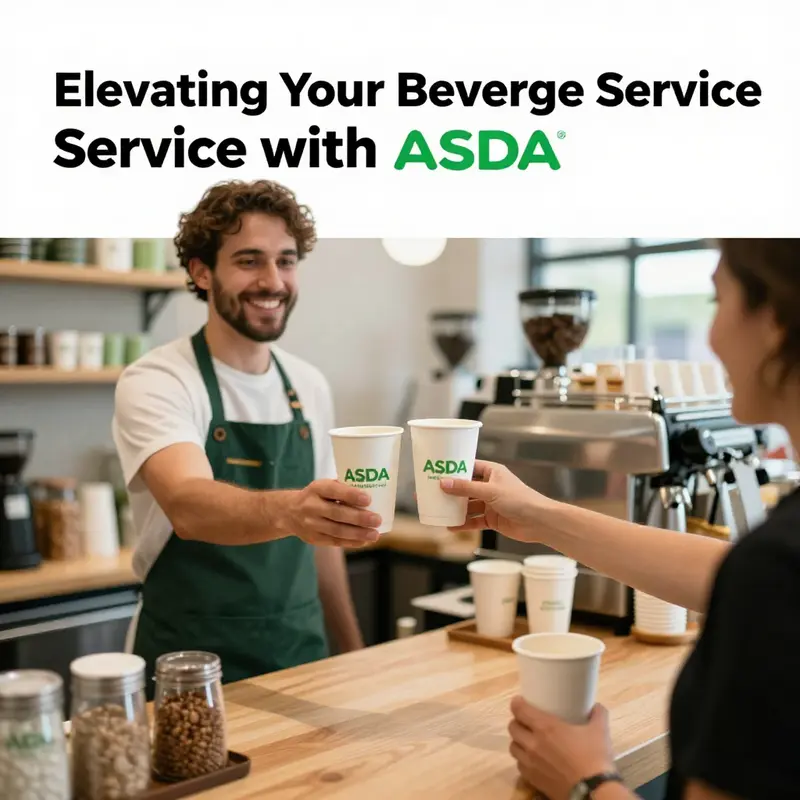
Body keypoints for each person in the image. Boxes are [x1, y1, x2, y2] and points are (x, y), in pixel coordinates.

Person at [440, 239, 800, 800]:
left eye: (718, 302)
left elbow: (762, 581)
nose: (711, 338)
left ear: (774, 319)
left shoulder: (777, 567)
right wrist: (539, 515)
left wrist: (587, 780)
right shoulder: (774, 566)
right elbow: (729, 574)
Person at [112, 179, 380, 691]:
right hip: (186, 672)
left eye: (286, 260)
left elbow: (324, 543)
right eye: (249, 260)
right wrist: (290, 511)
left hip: (303, 662)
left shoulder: (309, 384)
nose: (273, 281)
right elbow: (189, 506)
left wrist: (353, 653)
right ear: (202, 272)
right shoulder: (159, 379)